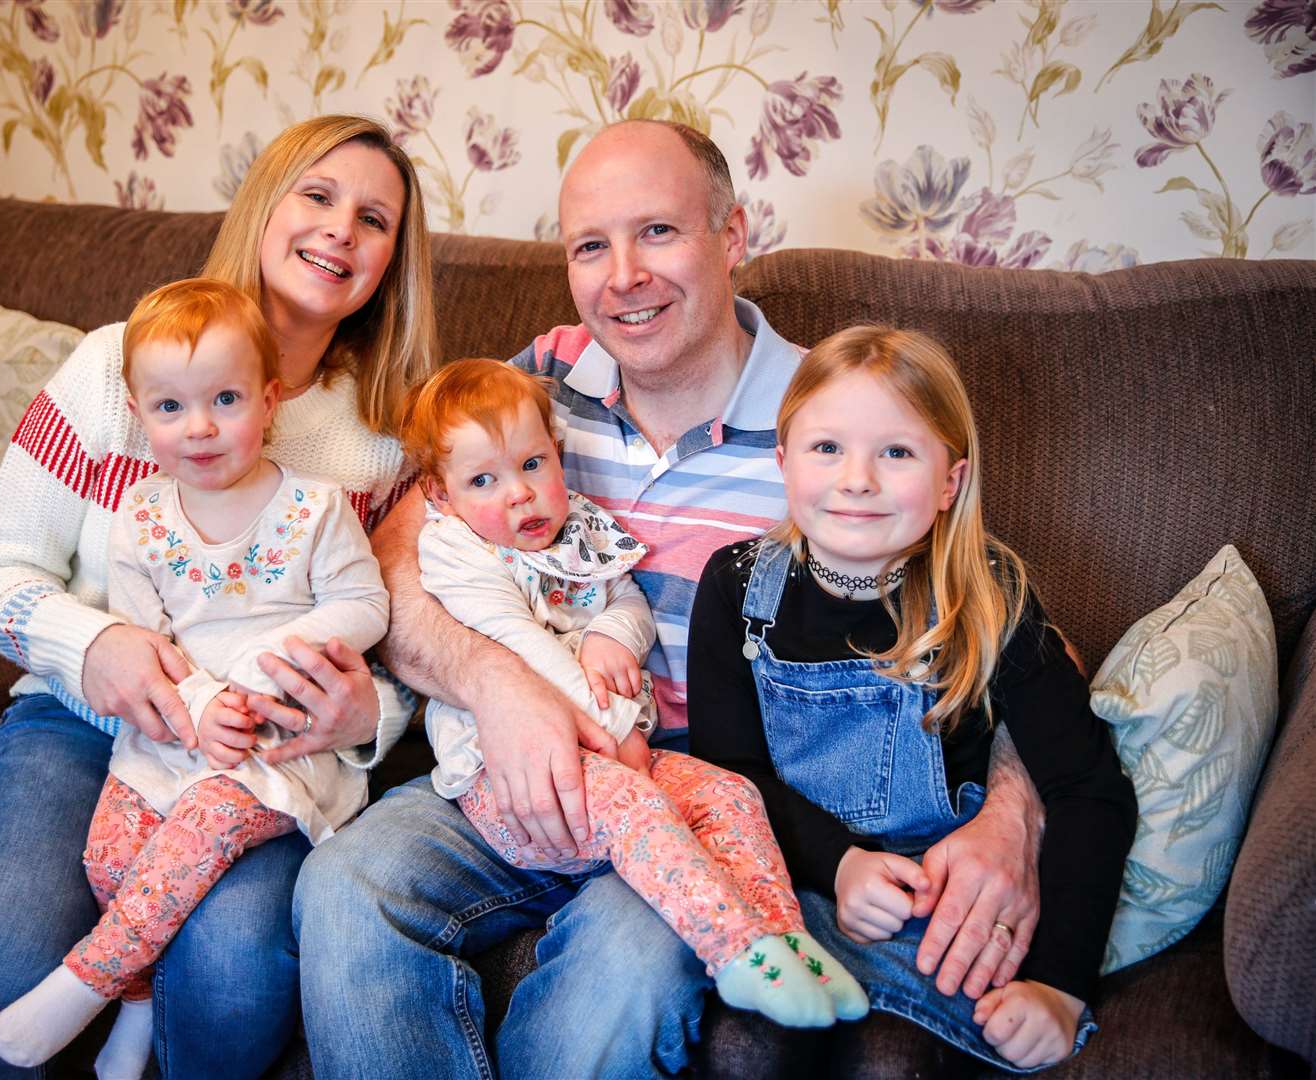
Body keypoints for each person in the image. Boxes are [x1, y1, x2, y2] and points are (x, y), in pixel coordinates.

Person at [295, 119, 1045, 1077]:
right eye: (590, 246)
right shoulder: (541, 379)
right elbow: (397, 562)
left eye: (657, 233)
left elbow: (1007, 628)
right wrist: (500, 688)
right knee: (345, 885)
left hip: (696, 787)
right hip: (506, 752)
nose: (623, 278)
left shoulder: (831, 424)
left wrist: (1010, 819)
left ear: (731, 238)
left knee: (625, 975)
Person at [0, 115, 436, 1079]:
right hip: (86, 718)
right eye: (318, 196)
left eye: (374, 219)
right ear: (264, 207)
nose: (341, 230)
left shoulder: (390, 442)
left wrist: (374, 711)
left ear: (391, 261)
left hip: (263, 749)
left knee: (232, 982)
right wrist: (94, 648)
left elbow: (402, 635)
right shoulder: (112, 366)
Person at [688, 325, 1138, 1071]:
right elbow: (728, 776)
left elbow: (1090, 788)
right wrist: (839, 864)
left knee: (892, 1066)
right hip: (794, 888)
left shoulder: (990, 597)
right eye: (826, 448)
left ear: (949, 482)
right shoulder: (735, 586)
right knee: (743, 1045)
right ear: (782, 460)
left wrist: (1061, 986)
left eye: (896, 452)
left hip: (935, 910)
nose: (857, 478)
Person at [0, 279, 389, 1077]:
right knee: (110, 854)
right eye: (170, 409)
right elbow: (145, 639)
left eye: (226, 400)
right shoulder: (141, 518)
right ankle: (136, 1012)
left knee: (204, 822)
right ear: (139, 414)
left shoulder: (316, 508)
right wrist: (200, 703)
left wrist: (272, 662)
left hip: (279, 746)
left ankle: (84, 982)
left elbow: (365, 602)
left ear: (269, 402)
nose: (199, 429)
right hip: (172, 729)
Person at [401, 358, 868, 1029]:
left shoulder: (576, 528)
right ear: (440, 495)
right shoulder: (456, 550)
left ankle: (785, 937)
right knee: (634, 803)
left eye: (533, 464)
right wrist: (618, 729)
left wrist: (611, 638)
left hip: (618, 755)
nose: (520, 495)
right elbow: (520, 649)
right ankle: (737, 954)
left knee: (731, 794)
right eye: (483, 480)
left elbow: (627, 599)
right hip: (511, 778)